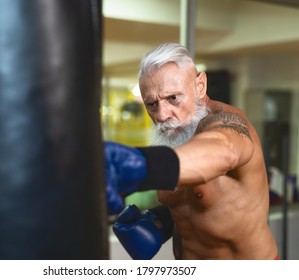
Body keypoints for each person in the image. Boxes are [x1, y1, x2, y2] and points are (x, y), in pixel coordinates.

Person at [104, 43, 278, 260]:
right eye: (151, 104)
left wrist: (143, 165)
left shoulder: (228, 122)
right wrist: (161, 221)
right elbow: (204, 204)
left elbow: (224, 150)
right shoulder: (174, 135)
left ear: (200, 86)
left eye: (173, 98)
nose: (162, 115)